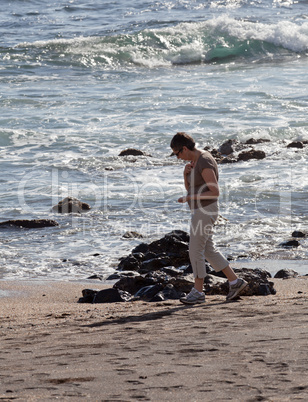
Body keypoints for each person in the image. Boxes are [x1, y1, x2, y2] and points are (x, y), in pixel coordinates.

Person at [170, 132, 248, 305]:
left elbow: (215, 192)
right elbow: (192, 189)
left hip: (205, 210)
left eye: (177, 153)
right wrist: (185, 175)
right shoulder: (194, 162)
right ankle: (235, 282)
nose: (177, 157)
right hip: (201, 210)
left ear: (184, 148)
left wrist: (189, 198)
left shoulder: (204, 160)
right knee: (208, 250)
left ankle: (198, 292)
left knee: (195, 249)